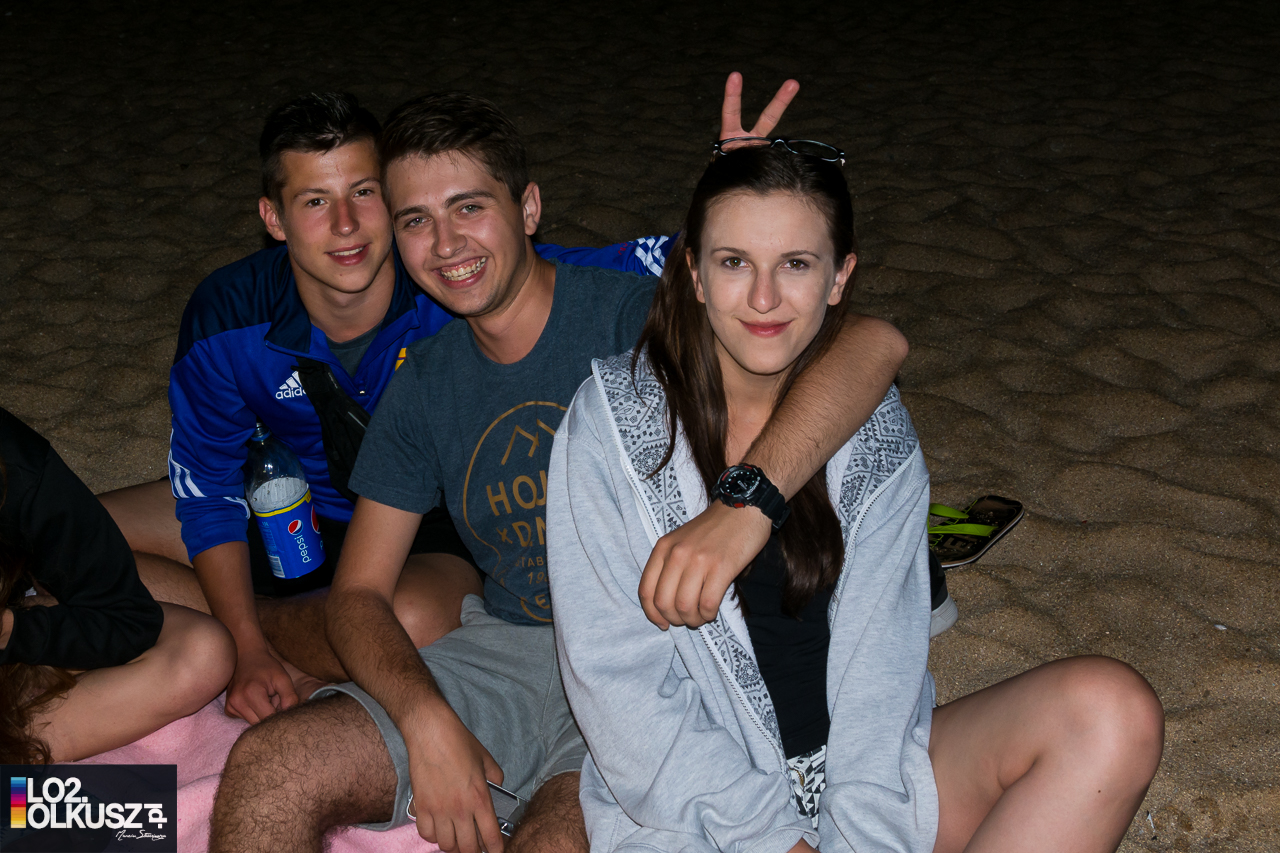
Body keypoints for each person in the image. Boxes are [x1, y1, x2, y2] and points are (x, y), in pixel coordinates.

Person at [209, 80, 912, 853]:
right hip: (507, 654)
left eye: (469, 207)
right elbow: (358, 596)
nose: (446, 243)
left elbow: (867, 341)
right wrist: (425, 716)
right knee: (269, 769)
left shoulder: (634, 318)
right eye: (415, 220)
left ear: (529, 208)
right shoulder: (426, 380)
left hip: (650, 665)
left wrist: (749, 195)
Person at [548, 142, 1165, 853]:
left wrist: (861, 838)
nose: (764, 298)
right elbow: (620, 692)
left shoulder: (872, 428)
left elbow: (881, 684)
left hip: (868, 776)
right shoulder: (613, 427)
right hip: (695, 809)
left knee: (1112, 713)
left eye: (796, 264)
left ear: (840, 277)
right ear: (694, 275)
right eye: (734, 262)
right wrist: (777, 840)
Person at [98, 92, 678, 724]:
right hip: (282, 502)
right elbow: (208, 491)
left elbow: (648, 265)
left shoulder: (452, 281)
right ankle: (260, 635)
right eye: (315, 201)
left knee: (411, 620)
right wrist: (245, 649)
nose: (346, 224)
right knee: (71, 534)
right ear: (273, 218)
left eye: (364, 192)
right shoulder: (228, 316)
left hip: (422, 527)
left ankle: (249, 625)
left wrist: (739, 185)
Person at [0, 406, 234, 763]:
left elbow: (130, 621)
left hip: (17, 642)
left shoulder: (19, 464)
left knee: (206, 652)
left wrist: (13, 629)